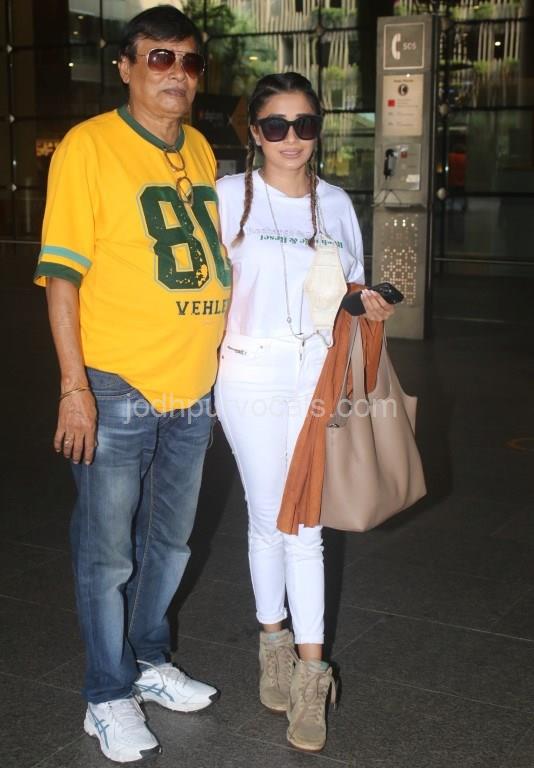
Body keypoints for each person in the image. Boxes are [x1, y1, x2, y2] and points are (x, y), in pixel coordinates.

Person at [34, 6, 231, 764]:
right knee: (107, 552)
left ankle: (148, 660)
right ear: (125, 66)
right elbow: (61, 276)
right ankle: (107, 692)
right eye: (159, 58)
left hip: (192, 387)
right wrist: (73, 387)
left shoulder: (200, 147)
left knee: (170, 543)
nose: (177, 73)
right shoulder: (89, 146)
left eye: (189, 60)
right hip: (116, 382)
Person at [214, 72, 394, 753]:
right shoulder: (227, 197)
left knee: (308, 522)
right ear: (255, 132)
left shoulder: (337, 203)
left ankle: (312, 675)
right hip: (248, 368)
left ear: (319, 130)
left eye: (305, 124)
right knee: (269, 516)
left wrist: (366, 303)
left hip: (316, 371)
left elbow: (345, 292)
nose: (292, 138)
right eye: (276, 125)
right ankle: (273, 644)